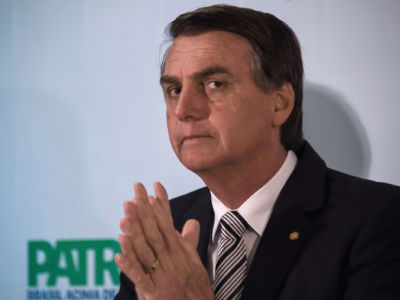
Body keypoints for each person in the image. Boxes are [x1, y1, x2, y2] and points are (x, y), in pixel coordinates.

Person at [114, 4, 400, 300]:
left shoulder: (378, 220)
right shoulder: (164, 231)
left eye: (215, 84)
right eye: (174, 90)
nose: (184, 110)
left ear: (279, 103)